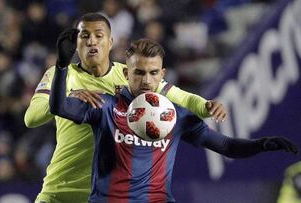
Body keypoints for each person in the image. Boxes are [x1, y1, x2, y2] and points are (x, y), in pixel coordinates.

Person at [49, 38, 298, 202]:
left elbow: (226, 146)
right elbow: (59, 106)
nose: (146, 80)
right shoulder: (104, 105)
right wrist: (61, 67)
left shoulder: (176, 116)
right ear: (126, 73)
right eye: (139, 72)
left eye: (153, 73)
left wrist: (263, 144)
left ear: (162, 74)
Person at [25, 13, 227, 202]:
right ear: (76, 44)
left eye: (99, 35)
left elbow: (183, 98)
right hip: (59, 191)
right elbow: (31, 118)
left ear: (110, 42)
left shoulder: (131, 75)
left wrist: (206, 105)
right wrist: (68, 95)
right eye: (84, 35)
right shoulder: (58, 75)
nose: (91, 41)